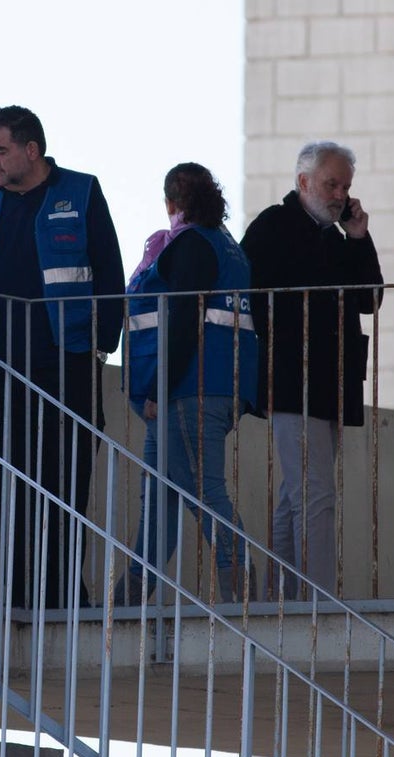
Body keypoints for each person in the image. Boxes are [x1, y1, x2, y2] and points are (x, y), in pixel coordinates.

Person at [0, 105, 125, 609]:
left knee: (66, 481)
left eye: (0, 150)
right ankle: (26, 592)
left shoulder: (82, 190)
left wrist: (100, 347)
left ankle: (64, 592)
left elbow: (109, 272)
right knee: (3, 483)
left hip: (65, 361)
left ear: (32, 150)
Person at [242, 141, 383, 598]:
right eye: (331, 183)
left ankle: (279, 599)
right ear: (303, 182)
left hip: (332, 383)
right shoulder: (272, 226)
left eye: (345, 186)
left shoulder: (338, 238)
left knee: (295, 495)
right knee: (315, 494)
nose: (339, 193)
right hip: (291, 380)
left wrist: (360, 237)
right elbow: (250, 302)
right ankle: (319, 603)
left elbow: (370, 299)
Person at [117, 163, 258, 605]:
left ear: (171, 203)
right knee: (158, 499)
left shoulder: (191, 245)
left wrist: (158, 388)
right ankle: (129, 603)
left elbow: (182, 322)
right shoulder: (227, 246)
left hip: (188, 389)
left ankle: (244, 599)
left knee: (203, 490)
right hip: (214, 385)